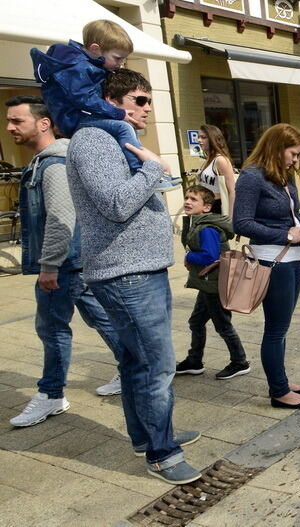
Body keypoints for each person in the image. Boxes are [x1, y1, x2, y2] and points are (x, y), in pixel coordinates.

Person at [64, 69, 201, 484]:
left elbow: (147, 189)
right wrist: (152, 169)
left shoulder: (114, 138)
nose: (148, 107)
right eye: (140, 100)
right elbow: (116, 204)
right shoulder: (93, 140)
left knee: (134, 362)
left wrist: (153, 172)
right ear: (110, 98)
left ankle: (149, 436)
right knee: (156, 366)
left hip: (139, 269)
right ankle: (163, 453)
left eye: (148, 100)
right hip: (126, 274)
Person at [5, 95, 125, 428]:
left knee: (52, 329)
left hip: (63, 265)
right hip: (75, 262)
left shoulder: (54, 163)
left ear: (44, 123)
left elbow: (60, 217)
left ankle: (52, 394)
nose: (9, 127)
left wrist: (49, 266)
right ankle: (133, 369)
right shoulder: (46, 160)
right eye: (9, 121)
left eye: (17, 120)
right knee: (101, 318)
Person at [30, 20, 176, 190]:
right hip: (75, 118)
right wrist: (117, 113)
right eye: (117, 58)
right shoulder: (79, 68)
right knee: (123, 128)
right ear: (95, 49)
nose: (121, 63)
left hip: (75, 116)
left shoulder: (84, 65)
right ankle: (139, 172)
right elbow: (84, 98)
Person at [232, 123, 300, 410]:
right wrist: (287, 235)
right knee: (276, 329)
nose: (295, 160)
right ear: (276, 148)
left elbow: (295, 213)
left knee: (283, 327)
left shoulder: (283, 176)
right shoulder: (251, 177)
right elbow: (241, 223)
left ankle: (281, 378)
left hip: (291, 259)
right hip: (271, 260)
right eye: (293, 154)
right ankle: (279, 391)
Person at [175, 185, 249, 380]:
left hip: (214, 285)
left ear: (206, 207)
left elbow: (209, 256)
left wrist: (190, 256)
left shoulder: (207, 228)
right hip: (207, 284)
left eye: (193, 199)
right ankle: (194, 361)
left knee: (223, 325)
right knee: (196, 321)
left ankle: (240, 361)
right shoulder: (198, 223)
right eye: (186, 197)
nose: (187, 202)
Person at [194, 124, 237, 214]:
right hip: (206, 207)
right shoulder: (207, 160)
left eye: (203, 137)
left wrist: (231, 217)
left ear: (212, 139)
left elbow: (232, 191)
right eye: (198, 137)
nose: (199, 140)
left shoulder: (220, 160)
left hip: (218, 207)